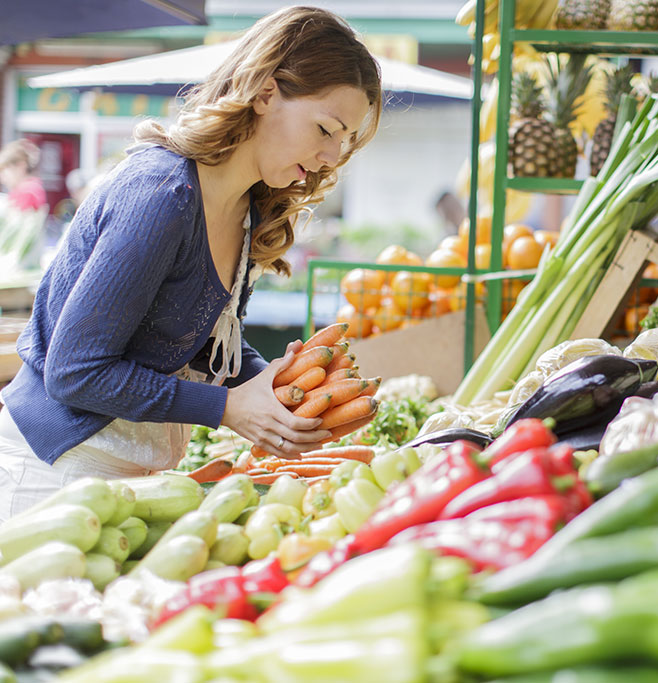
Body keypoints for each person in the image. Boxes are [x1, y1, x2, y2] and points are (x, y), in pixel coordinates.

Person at [0, 6, 383, 520]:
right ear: (266, 92)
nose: (333, 156)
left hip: (131, 475)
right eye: (326, 129)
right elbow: (74, 373)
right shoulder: (163, 194)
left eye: (345, 141)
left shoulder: (250, 206)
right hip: (54, 472)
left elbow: (194, 335)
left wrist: (266, 384)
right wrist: (227, 409)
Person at [0, 139, 46, 212]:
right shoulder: (33, 188)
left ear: (21, 166)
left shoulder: (25, 192)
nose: (2, 179)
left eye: (4, 172)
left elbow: (14, 221)